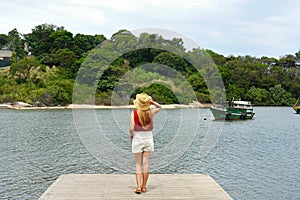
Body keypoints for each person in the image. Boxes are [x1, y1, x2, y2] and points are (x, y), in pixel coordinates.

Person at [130, 93, 161, 194]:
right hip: (148, 138)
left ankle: (138, 186)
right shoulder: (150, 113)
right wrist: (152, 102)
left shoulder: (134, 113)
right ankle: (144, 187)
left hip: (137, 138)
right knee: (146, 164)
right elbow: (160, 107)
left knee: (138, 164)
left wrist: (132, 137)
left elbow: (131, 129)